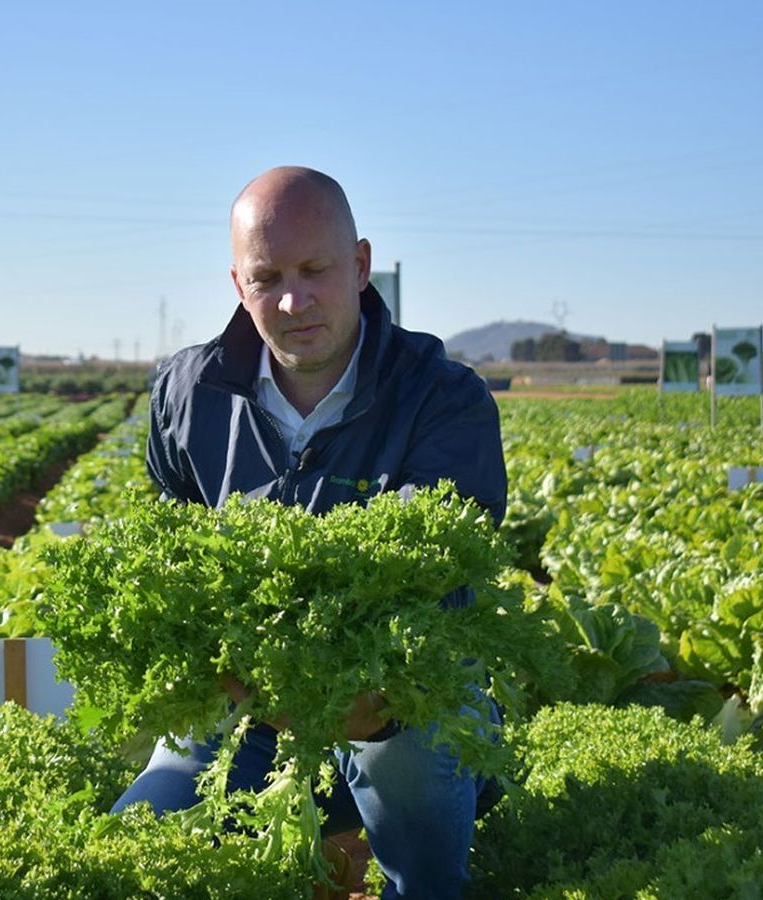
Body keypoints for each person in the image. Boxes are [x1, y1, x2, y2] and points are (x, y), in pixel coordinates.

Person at [113, 166, 508, 899]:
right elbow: (167, 557)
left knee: (424, 866)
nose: (293, 300)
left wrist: (362, 692)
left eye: (315, 270)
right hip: (247, 707)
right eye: (267, 278)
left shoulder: (442, 400)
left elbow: (448, 581)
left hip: (397, 708)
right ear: (238, 285)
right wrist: (224, 661)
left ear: (359, 265)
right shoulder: (186, 396)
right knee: (137, 846)